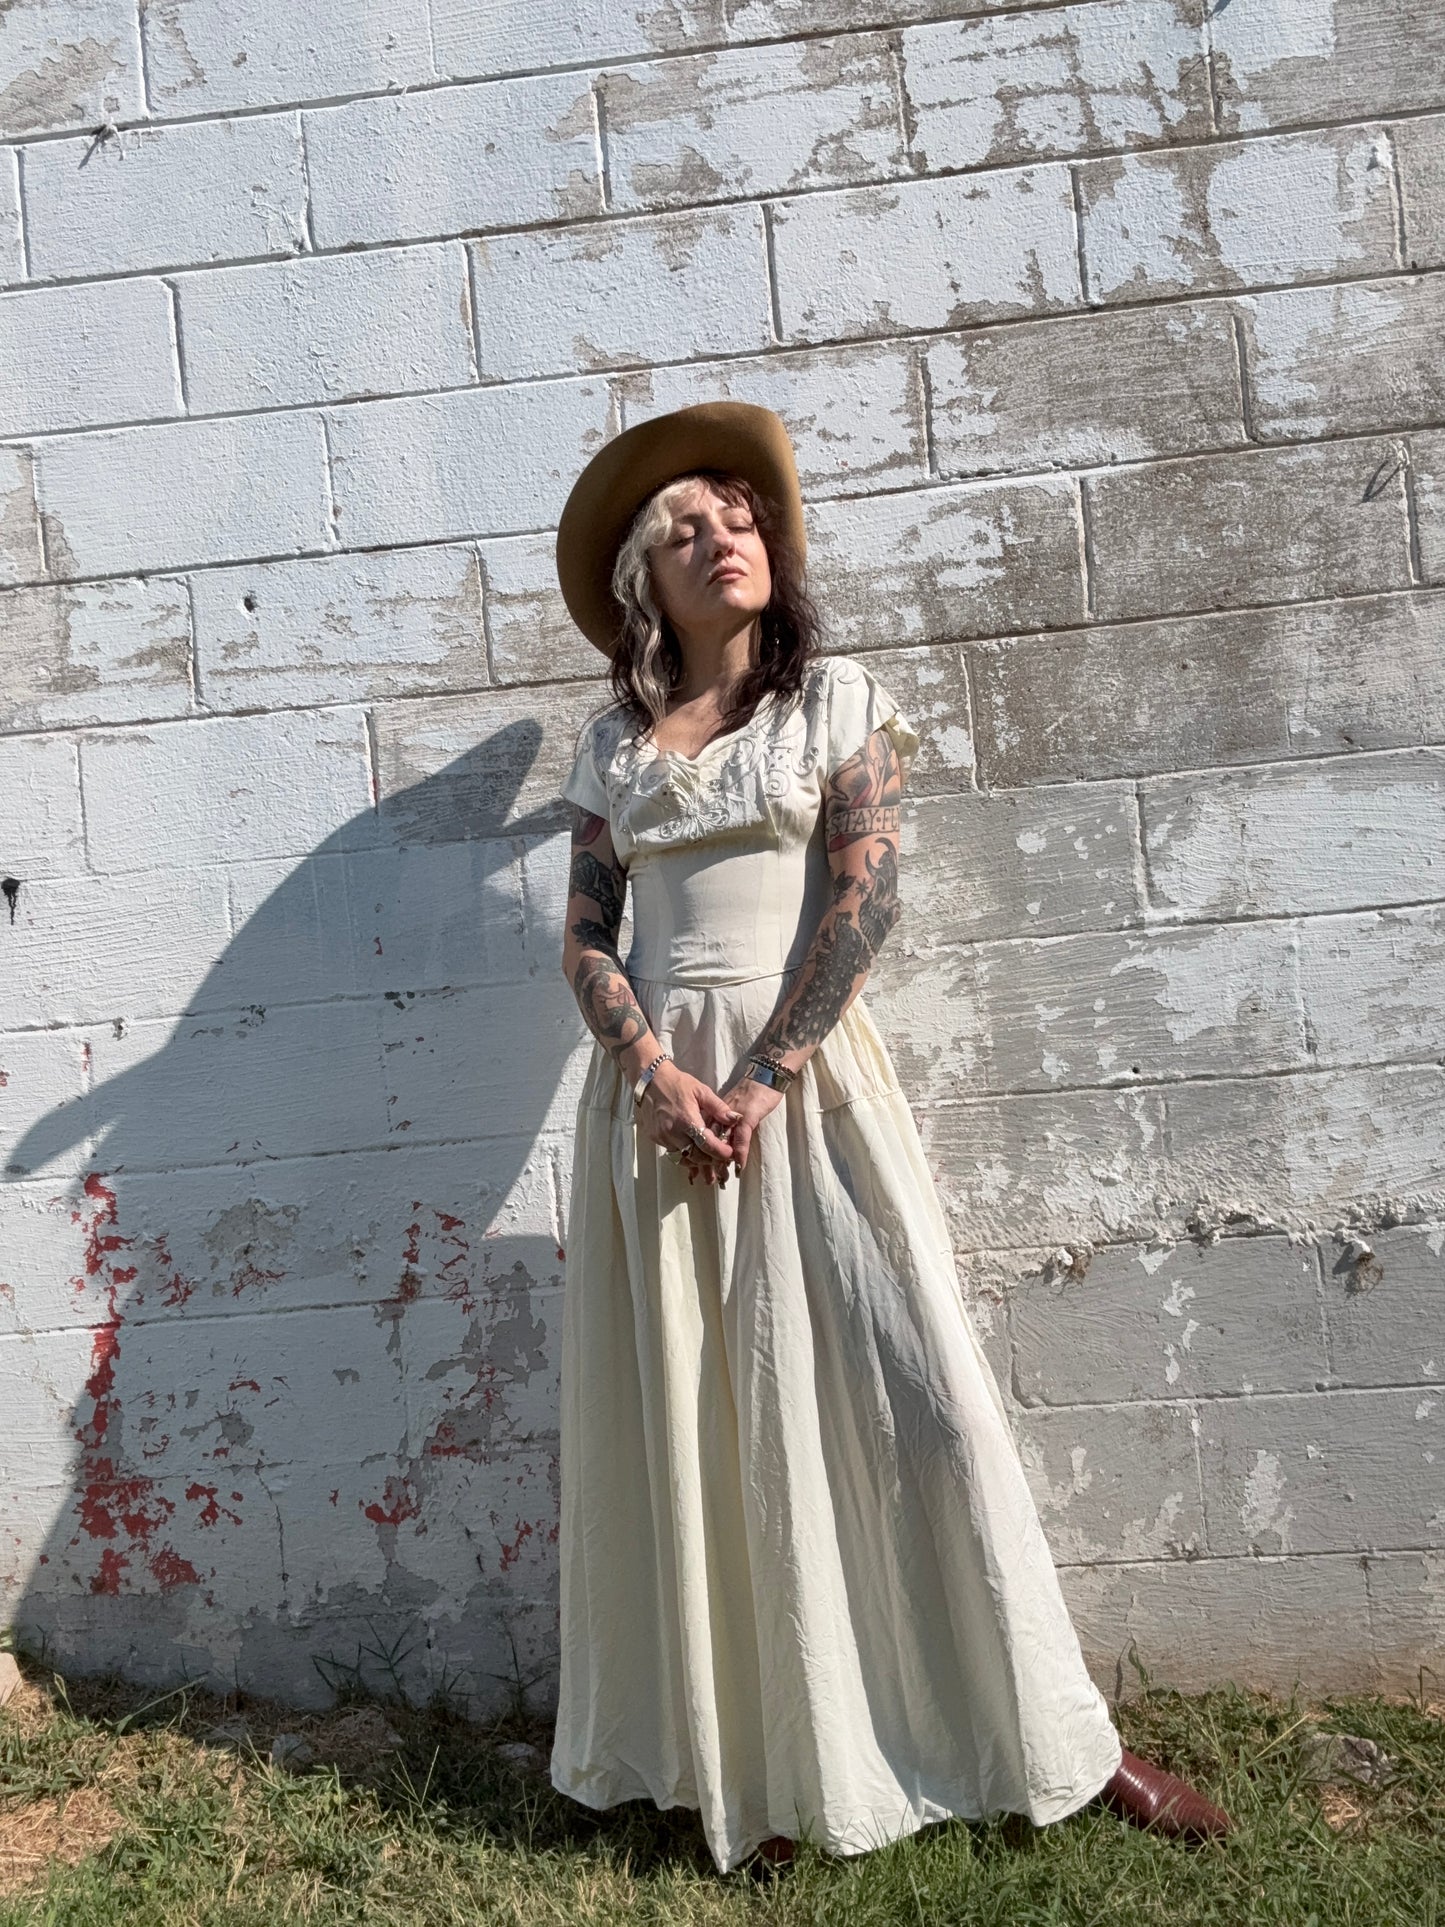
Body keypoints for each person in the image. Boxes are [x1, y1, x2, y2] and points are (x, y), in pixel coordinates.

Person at [547, 401, 1232, 1875]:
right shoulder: (616, 745)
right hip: (658, 1110)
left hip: (802, 1095)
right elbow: (587, 939)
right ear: (641, 588)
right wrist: (658, 1074)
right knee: (699, 1426)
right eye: (682, 529)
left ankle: (1061, 1740)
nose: (719, 535)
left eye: (734, 513)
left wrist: (769, 1070)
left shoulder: (834, 703)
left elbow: (869, 897)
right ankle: (766, 1774)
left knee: (917, 1408)